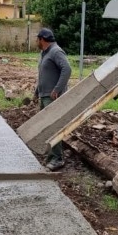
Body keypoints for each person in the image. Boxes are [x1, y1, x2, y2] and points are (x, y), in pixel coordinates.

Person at [34, 27, 71, 171]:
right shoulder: (44, 53)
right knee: (45, 127)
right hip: (44, 95)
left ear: (42, 39)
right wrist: (37, 91)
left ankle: (57, 159)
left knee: (53, 128)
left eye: (37, 39)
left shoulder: (56, 51)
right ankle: (50, 155)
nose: (36, 41)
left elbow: (67, 69)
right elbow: (43, 74)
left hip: (52, 97)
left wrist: (57, 89)